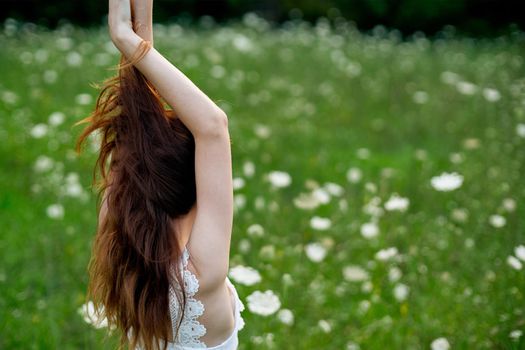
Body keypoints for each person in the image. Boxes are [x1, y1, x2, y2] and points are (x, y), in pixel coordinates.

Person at [74, 0, 244, 349]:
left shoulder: (126, 249)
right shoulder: (200, 277)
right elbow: (212, 126)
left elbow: (135, 140)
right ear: (199, 180)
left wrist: (136, 33)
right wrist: (127, 36)